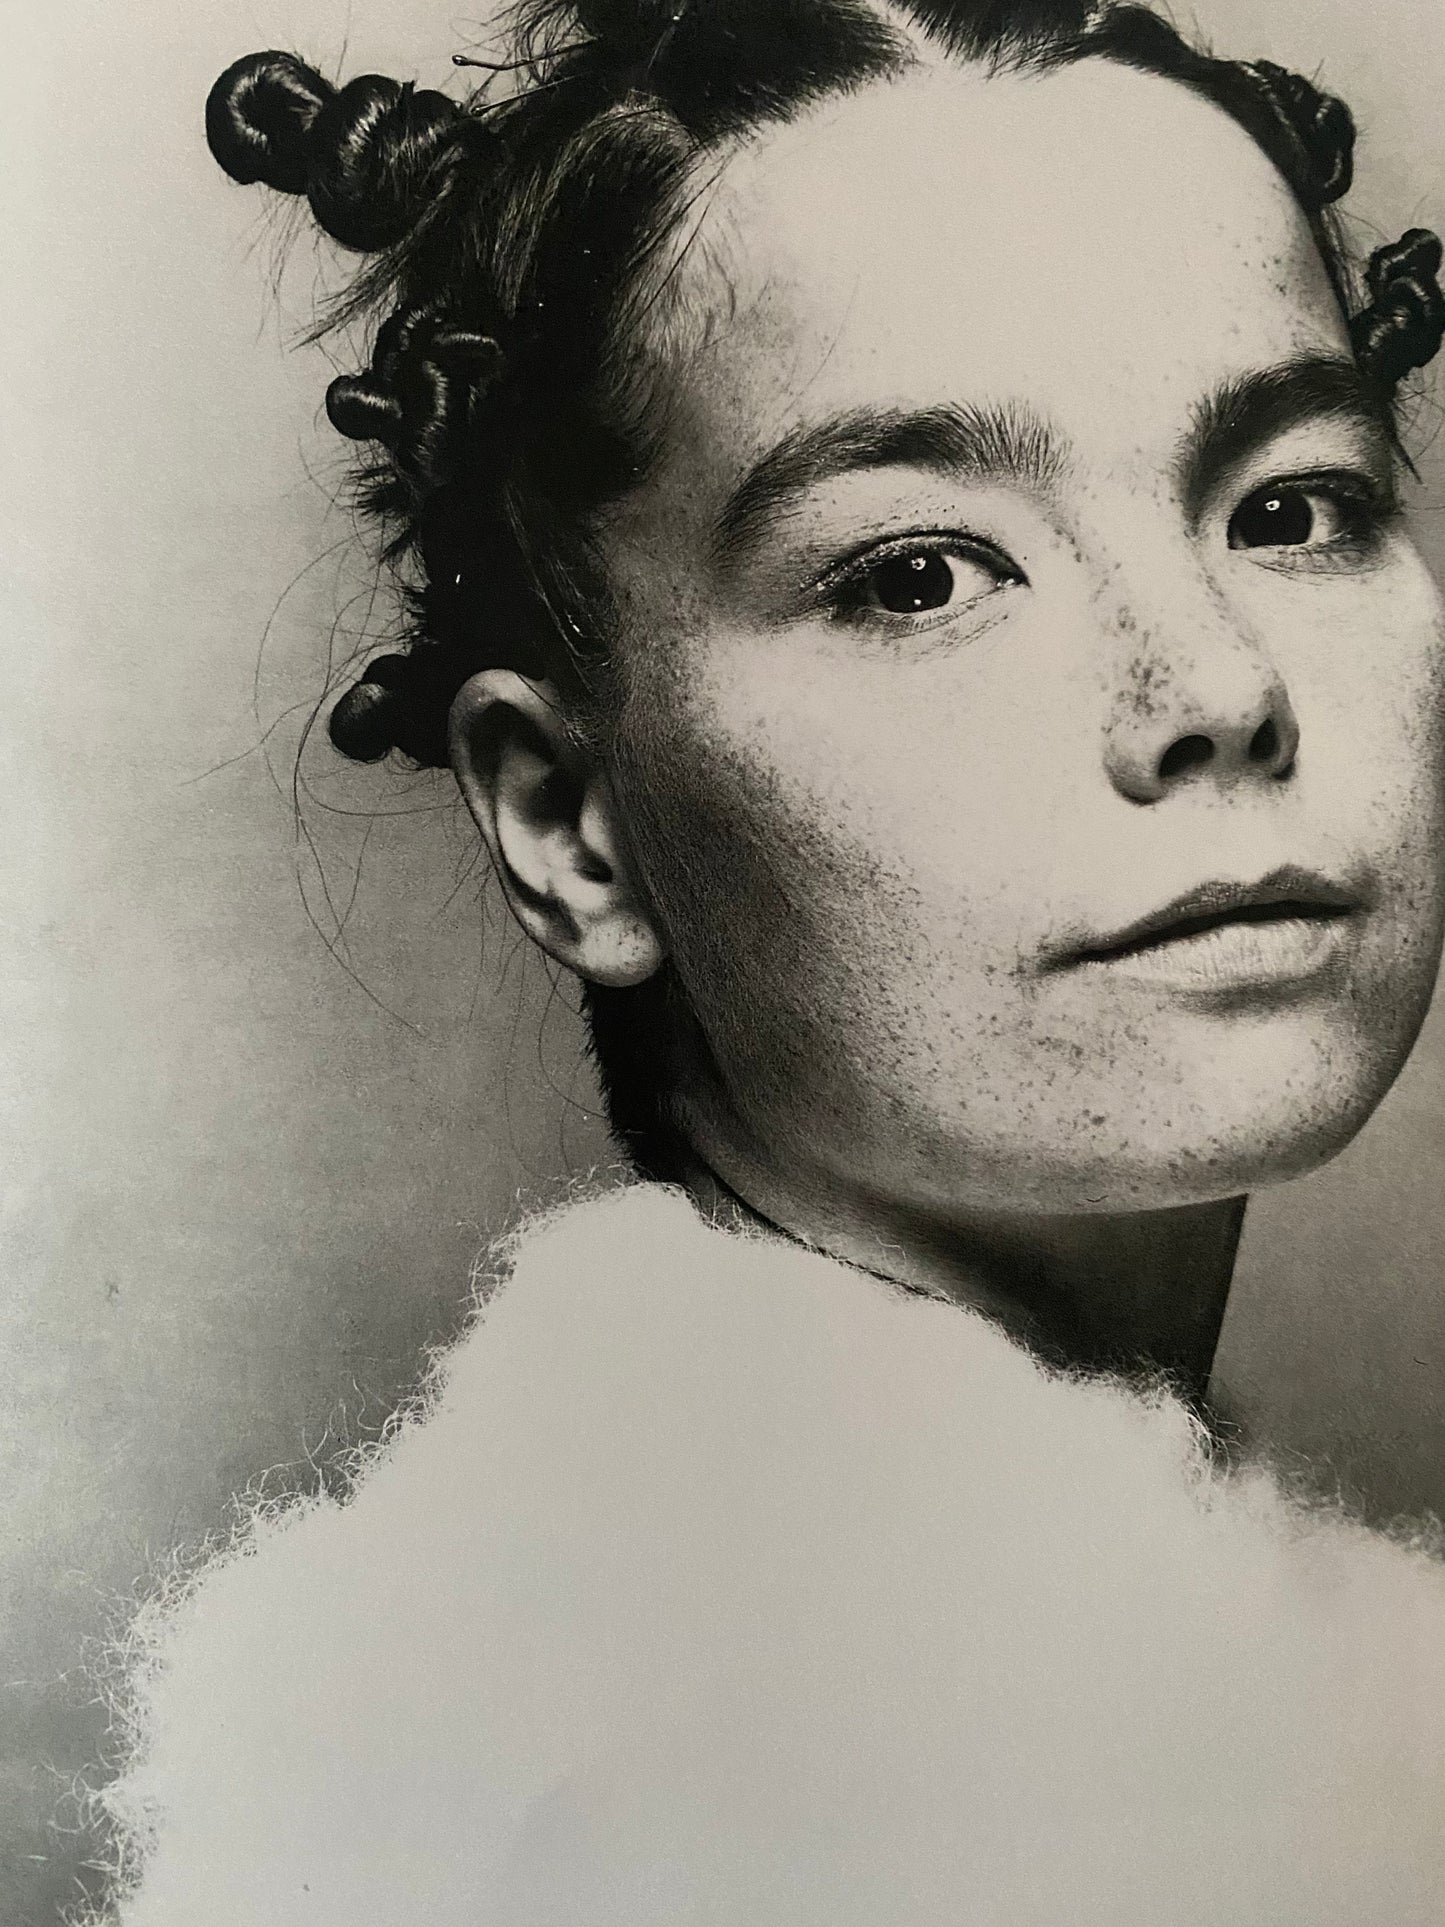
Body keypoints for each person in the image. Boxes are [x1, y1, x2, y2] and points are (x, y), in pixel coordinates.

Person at [91, 2, 1445, 1921]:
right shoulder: (677, 1786)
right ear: (572, 824)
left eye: (1292, 511)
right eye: (918, 574)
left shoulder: (1111, 1701)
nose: (1215, 687)